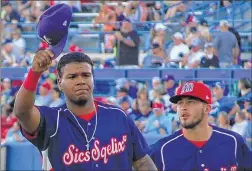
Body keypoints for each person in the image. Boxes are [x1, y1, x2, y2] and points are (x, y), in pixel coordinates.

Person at [14, 50, 157, 171]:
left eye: (86, 75)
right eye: (72, 77)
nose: (80, 81)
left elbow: (142, 162)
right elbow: (22, 112)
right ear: (60, 83)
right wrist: (34, 73)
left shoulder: (118, 116)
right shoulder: (51, 119)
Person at [149, 81, 252, 171]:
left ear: (207, 109)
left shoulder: (234, 142)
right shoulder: (162, 149)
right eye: (180, 103)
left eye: (190, 102)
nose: (183, 107)